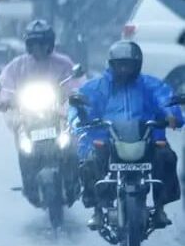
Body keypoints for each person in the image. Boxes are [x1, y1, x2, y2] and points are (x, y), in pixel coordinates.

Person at [71, 40, 183, 230]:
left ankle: (160, 208)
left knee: (166, 156)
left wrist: (172, 115)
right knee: (89, 161)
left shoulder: (150, 84)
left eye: (128, 65)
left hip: (147, 137)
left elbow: (164, 99)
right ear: (111, 64)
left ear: (137, 64)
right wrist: (78, 119)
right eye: (119, 65)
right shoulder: (98, 86)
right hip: (107, 138)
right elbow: (81, 104)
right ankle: (98, 210)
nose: (124, 69)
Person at [0, 19, 81, 205]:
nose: (39, 48)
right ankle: (30, 186)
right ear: (28, 45)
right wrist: (4, 99)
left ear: (50, 43)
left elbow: (75, 82)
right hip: (29, 116)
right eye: (34, 44)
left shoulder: (63, 63)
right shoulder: (17, 65)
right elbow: (5, 84)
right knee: (24, 148)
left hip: (58, 114)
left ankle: (74, 181)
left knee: (72, 145)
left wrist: (74, 97)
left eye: (42, 43)